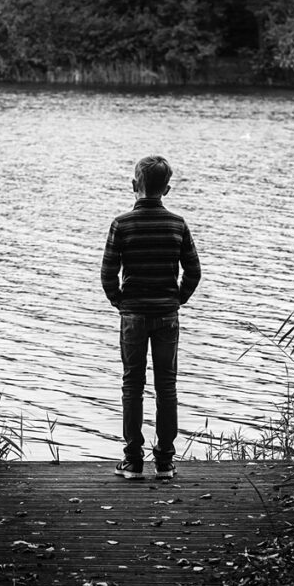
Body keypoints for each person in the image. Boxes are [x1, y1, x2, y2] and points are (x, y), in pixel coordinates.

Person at [100, 155, 201, 480]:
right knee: (166, 386)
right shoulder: (177, 224)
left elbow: (107, 272)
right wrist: (177, 300)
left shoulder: (121, 224)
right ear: (167, 190)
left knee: (133, 385)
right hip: (167, 316)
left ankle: (132, 461)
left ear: (134, 186)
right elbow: (194, 271)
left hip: (133, 316)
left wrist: (120, 301)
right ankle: (165, 462)